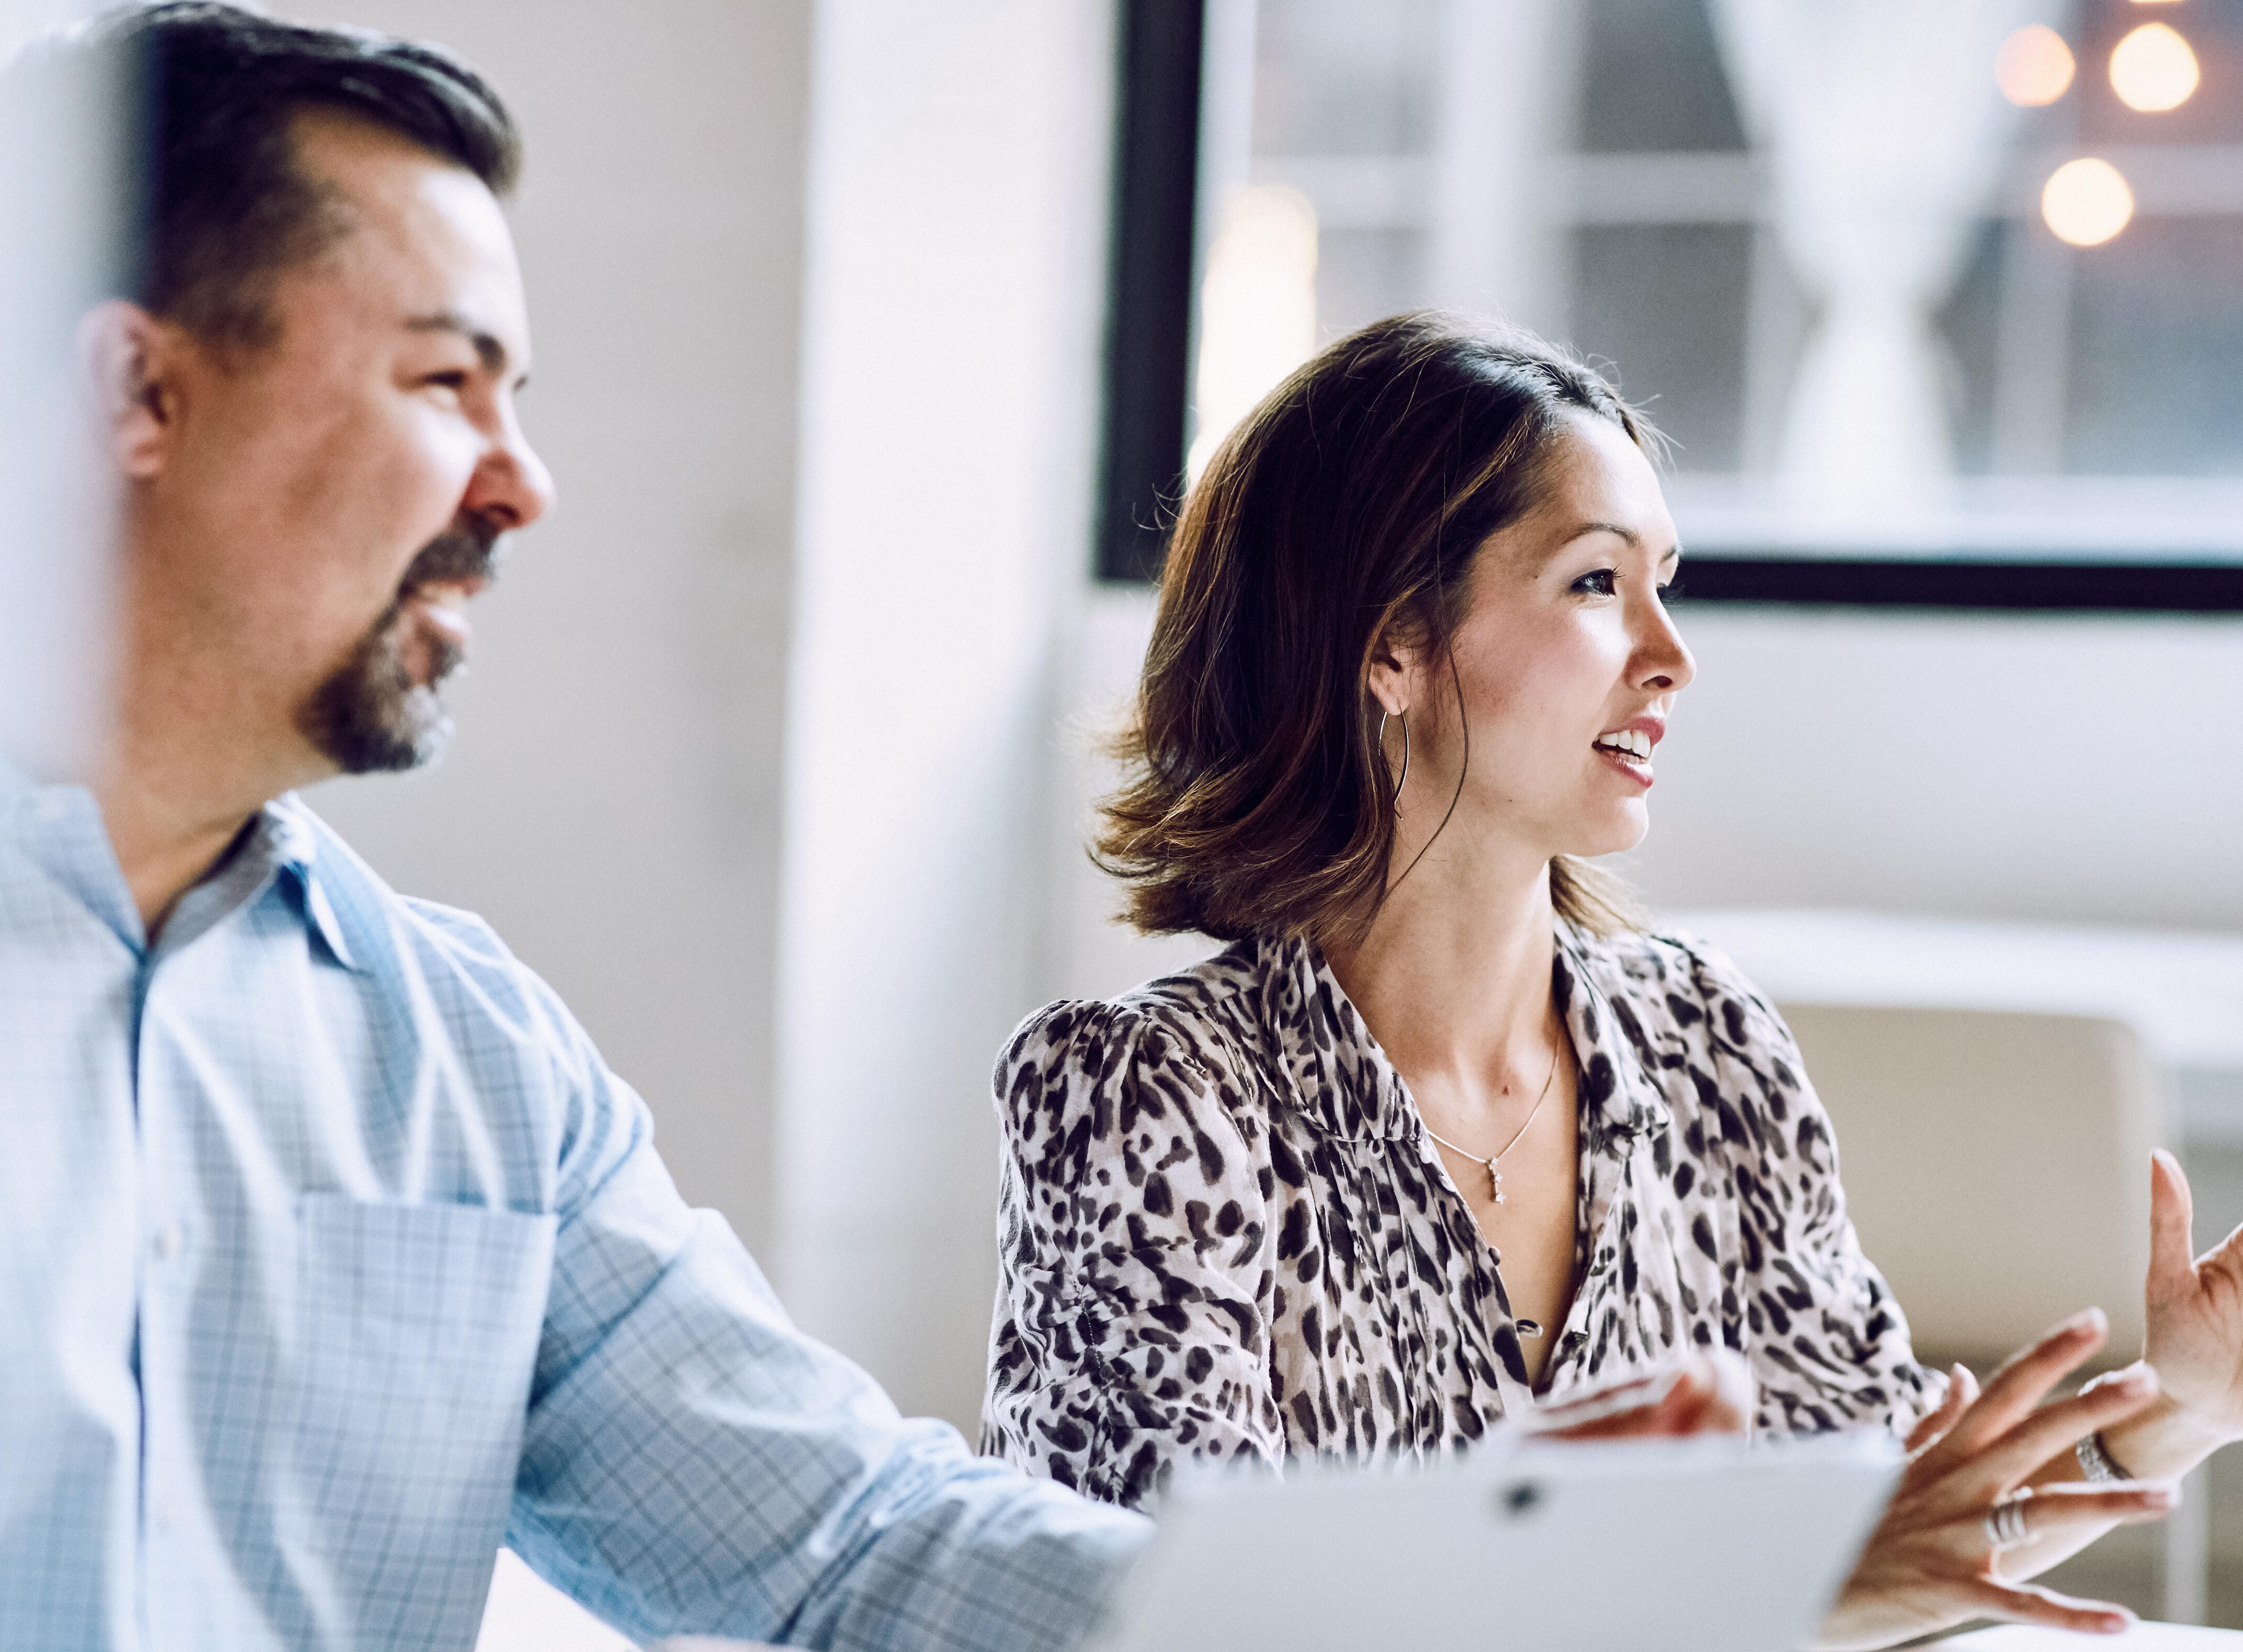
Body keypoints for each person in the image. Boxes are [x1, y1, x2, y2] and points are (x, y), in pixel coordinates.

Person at [0, 8, 1777, 1649]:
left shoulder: (463, 1064)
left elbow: (847, 1546)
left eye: (518, 399)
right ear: (137, 396)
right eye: (444, 382)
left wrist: (1426, 1591)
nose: (520, 479)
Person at [980, 312, 2243, 1645]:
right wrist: (1776, 1612)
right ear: (1392, 643)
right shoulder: (1148, 1096)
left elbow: (1907, 1530)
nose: (1671, 656)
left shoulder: (1707, 1044)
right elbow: (1164, 1626)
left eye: (1667, 583)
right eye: (1596, 584)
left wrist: (2187, 1401)